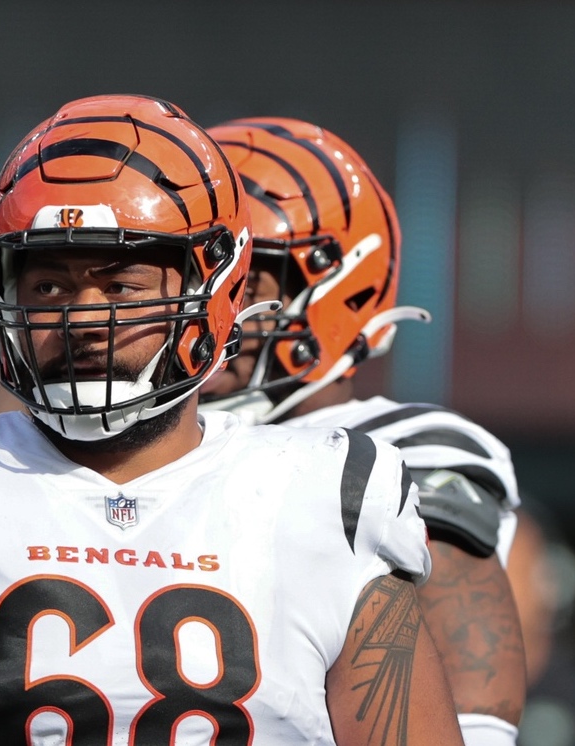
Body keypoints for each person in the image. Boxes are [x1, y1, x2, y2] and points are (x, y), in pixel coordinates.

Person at [0, 94, 462, 745]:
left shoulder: (325, 494)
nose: (83, 318)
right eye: (48, 285)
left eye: (121, 285)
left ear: (212, 292)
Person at [200, 118, 527, 746]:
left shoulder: (394, 448)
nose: (211, 304)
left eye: (244, 281)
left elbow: (474, 717)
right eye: (195, 273)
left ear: (336, 288)